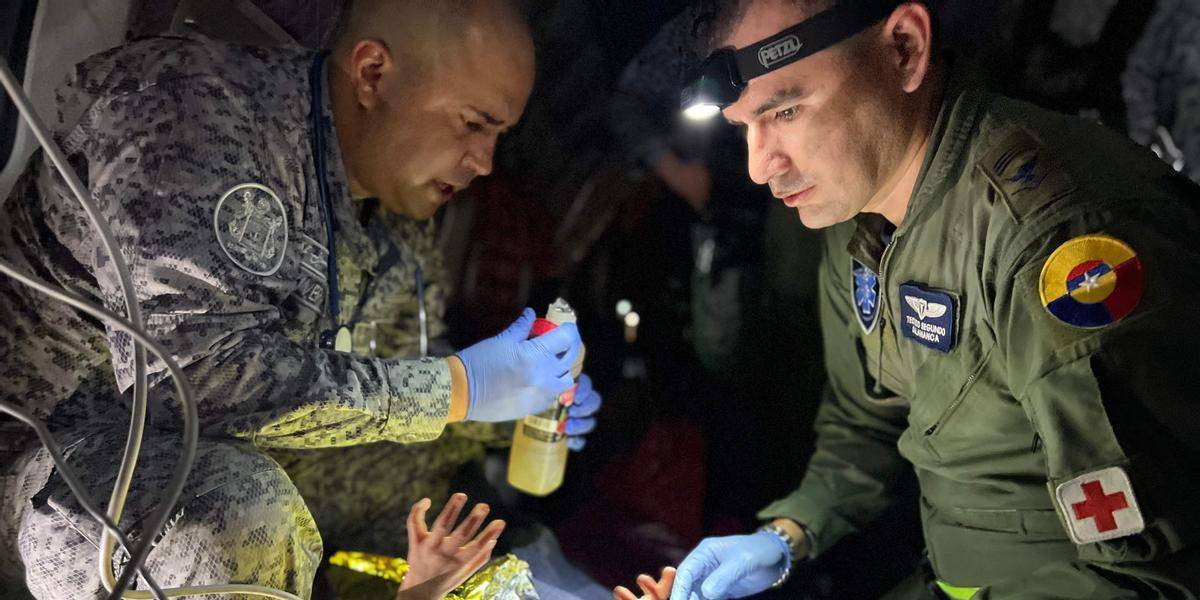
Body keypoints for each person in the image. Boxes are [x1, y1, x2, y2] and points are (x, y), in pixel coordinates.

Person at [0, 0, 600, 597]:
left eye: (499, 136)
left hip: (231, 452)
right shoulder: (194, 114)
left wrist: (512, 406)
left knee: (468, 539)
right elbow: (190, 381)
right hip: (55, 462)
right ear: (372, 73)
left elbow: (377, 369)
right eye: (473, 123)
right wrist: (458, 388)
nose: (485, 163)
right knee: (233, 516)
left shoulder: (390, 214)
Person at [622, 0, 1200, 598]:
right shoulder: (859, 215)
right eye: (744, 127)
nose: (761, 167)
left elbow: (1154, 576)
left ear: (904, 49)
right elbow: (864, 423)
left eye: (788, 110)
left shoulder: (1056, 244)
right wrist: (792, 531)